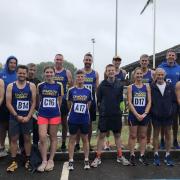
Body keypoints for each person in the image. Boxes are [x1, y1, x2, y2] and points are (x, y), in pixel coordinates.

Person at [91, 64, 129, 168]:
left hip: (116, 114)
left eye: (112, 70)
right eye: (109, 70)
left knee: (117, 135)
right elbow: (99, 101)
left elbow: (121, 100)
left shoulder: (120, 84)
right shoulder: (102, 85)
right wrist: (102, 110)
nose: (111, 72)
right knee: (102, 136)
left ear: (115, 72)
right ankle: (98, 157)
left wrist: (121, 110)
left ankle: (120, 156)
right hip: (105, 115)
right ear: (106, 72)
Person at [6, 65, 36, 172]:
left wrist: (28, 116)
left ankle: (28, 160)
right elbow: (8, 103)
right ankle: (13, 162)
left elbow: (34, 103)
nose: (22, 75)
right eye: (20, 73)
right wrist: (16, 116)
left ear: (27, 74)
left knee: (27, 139)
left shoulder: (31, 86)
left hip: (27, 118)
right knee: (14, 139)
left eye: (24, 73)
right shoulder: (10, 86)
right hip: (14, 118)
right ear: (17, 73)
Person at [37, 66, 63, 172]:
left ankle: (51, 160)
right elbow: (39, 99)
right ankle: (44, 160)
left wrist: (56, 110)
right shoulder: (40, 85)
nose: (49, 74)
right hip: (42, 114)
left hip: (54, 114)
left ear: (54, 73)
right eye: (47, 72)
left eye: (51, 72)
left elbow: (60, 100)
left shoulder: (59, 85)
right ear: (44, 74)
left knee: (53, 137)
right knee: (42, 137)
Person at [67, 70, 92, 171]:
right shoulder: (71, 90)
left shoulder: (88, 91)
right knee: (72, 139)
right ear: (76, 78)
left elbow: (89, 104)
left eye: (82, 77)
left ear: (84, 78)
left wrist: (85, 112)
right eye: (78, 77)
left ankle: (86, 159)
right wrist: (72, 112)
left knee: (85, 139)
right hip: (73, 118)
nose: (80, 78)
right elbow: (69, 103)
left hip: (84, 118)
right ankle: (71, 160)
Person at [151, 68, 177, 166]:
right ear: (155, 76)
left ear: (164, 75)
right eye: (158, 75)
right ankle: (156, 154)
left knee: (168, 135)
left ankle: (167, 154)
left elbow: (174, 102)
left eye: (162, 75)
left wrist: (172, 111)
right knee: (156, 135)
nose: (160, 76)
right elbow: (150, 101)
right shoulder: (152, 86)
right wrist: (153, 111)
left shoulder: (170, 86)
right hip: (156, 115)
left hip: (168, 115)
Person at [127, 67, 151, 166]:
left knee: (143, 136)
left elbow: (149, 101)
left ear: (143, 75)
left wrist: (144, 114)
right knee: (133, 135)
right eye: (137, 74)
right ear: (134, 75)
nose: (139, 75)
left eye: (141, 74)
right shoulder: (130, 87)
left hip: (144, 115)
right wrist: (136, 114)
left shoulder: (147, 87)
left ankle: (142, 155)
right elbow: (129, 102)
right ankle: (132, 155)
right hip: (134, 115)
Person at [103, 56, 127, 151]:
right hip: (109, 100)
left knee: (119, 122)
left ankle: (118, 142)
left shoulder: (123, 72)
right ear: (112, 61)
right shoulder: (108, 71)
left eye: (119, 60)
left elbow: (124, 85)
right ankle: (107, 142)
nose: (117, 62)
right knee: (108, 124)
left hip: (120, 100)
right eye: (115, 60)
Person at [158, 49, 180, 149]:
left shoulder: (179, 68)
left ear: (175, 57)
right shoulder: (161, 67)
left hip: (175, 99)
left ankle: (175, 140)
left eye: (173, 55)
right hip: (163, 99)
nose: (171, 56)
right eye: (169, 55)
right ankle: (162, 140)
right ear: (166, 57)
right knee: (163, 121)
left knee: (175, 121)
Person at [133, 55, 154, 150]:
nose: (144, 62)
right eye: (142, 61)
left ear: (148, 62)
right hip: (138, 99)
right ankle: (137, 141)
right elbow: (132, 85)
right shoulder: (136, 72)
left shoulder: (152, 73)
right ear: (139, 61)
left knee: (148, 122)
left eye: (146, 61)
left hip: (148, 101)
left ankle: (148, 141)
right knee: (137, 121)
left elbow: (154, 85)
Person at [19, 63, 41, 153]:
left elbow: (39, 97)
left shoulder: (38, 82)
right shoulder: (22, 80)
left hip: (35, 109)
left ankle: (35, 145)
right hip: (24, 109)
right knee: (23, 129)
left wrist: (38, 108)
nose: (32, 72)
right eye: (30, 70)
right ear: (27, 71)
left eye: (33, 70)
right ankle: (22, 147)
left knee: (36, 128)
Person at [54, 54, 73, 152]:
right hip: (53, 100)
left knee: (64, 123)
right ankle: (53, 144)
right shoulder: (51, 71)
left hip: (64, 101)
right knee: (53, 124)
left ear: (63, 61)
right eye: (57, 59)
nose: (58, 61)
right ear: (54, 60)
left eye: (60, 59)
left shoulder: (67, 72)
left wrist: (69, 99)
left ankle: (63, 143)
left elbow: (71, 85)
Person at [0, 56, 18, 157]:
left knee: (13, 128)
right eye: (11, 62)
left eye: (15, 63)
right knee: (2, 127)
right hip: (3, 105)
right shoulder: (1, 74)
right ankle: (1, 147)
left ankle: (13, 148)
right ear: (7, 63)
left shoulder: (17, 75)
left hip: (14, 105)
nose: (13, 65)